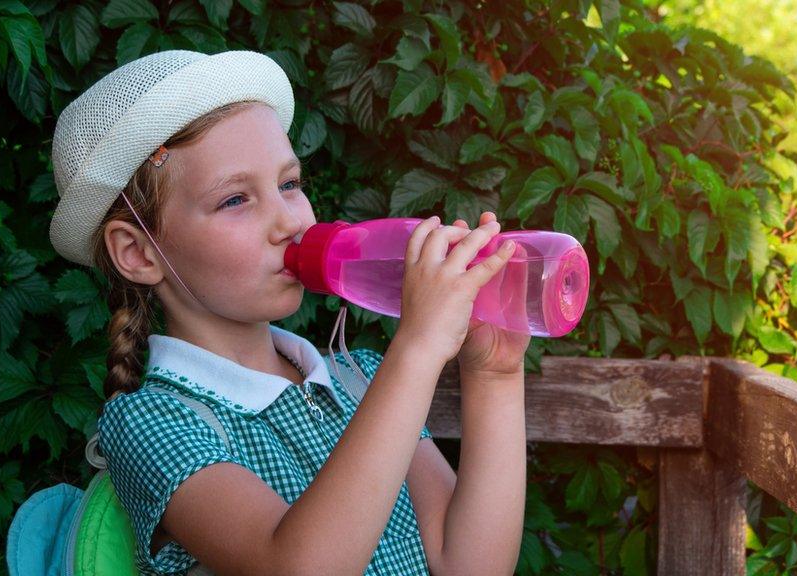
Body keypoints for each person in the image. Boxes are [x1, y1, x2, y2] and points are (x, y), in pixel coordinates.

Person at [48, 49, 530, 575]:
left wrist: (494, 374)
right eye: (235, 200)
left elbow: (471, 566)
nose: (288, 222)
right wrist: (416, 349)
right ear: (139, 254)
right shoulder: (151, 423)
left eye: (289, 184)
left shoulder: (359, 380)